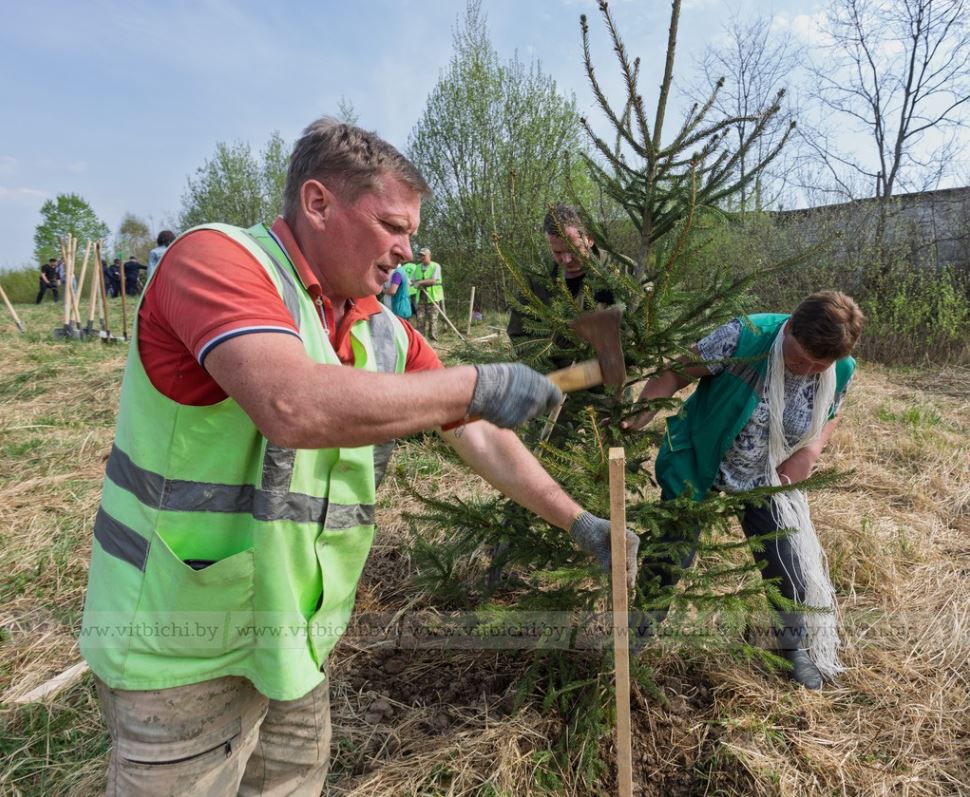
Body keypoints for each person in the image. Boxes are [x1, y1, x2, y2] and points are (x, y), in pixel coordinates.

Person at [79, 117, 639, 796]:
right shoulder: (216, 262)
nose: (409, 248)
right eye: (393, 227)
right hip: (183, 649)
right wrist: (476, 382)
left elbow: (479, 433)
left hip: (293, 641)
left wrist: (577, 519)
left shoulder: (380, 328)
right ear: (317, 203)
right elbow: (291, 403)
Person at [622, 291, 864, 689]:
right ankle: (634, 638)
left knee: (786, 566)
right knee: (671, 556)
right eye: (800, 359)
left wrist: (811, 450)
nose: (805, 372)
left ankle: (793, 648)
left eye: (818, 367)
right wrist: (640, 413)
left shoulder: (840, 368)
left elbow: (831, 413)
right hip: (702, 459)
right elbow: (675, 373)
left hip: (765, 474)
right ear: (789, 329)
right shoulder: (744, 336)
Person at [507, 204, 614, 369]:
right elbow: (519, 336)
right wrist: (547, 371)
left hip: (608, 389)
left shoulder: (620, 271)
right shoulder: (536, 278)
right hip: (553, 386)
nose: (566, 260)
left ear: (590, 238)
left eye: (573, 249)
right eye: (557, 252)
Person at [413, 247, 444, 341]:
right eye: (420, 255)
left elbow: (433, 280)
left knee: (432, 319)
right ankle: (421, 340)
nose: (421, 257)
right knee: (420, 319)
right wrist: (415, 283)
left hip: (433, 296)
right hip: (421, 295)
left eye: (423, 255)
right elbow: (413, 280)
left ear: (429, 256)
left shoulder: (435, 266)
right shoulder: (417, 267)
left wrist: (420, 282)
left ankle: (433, 340)